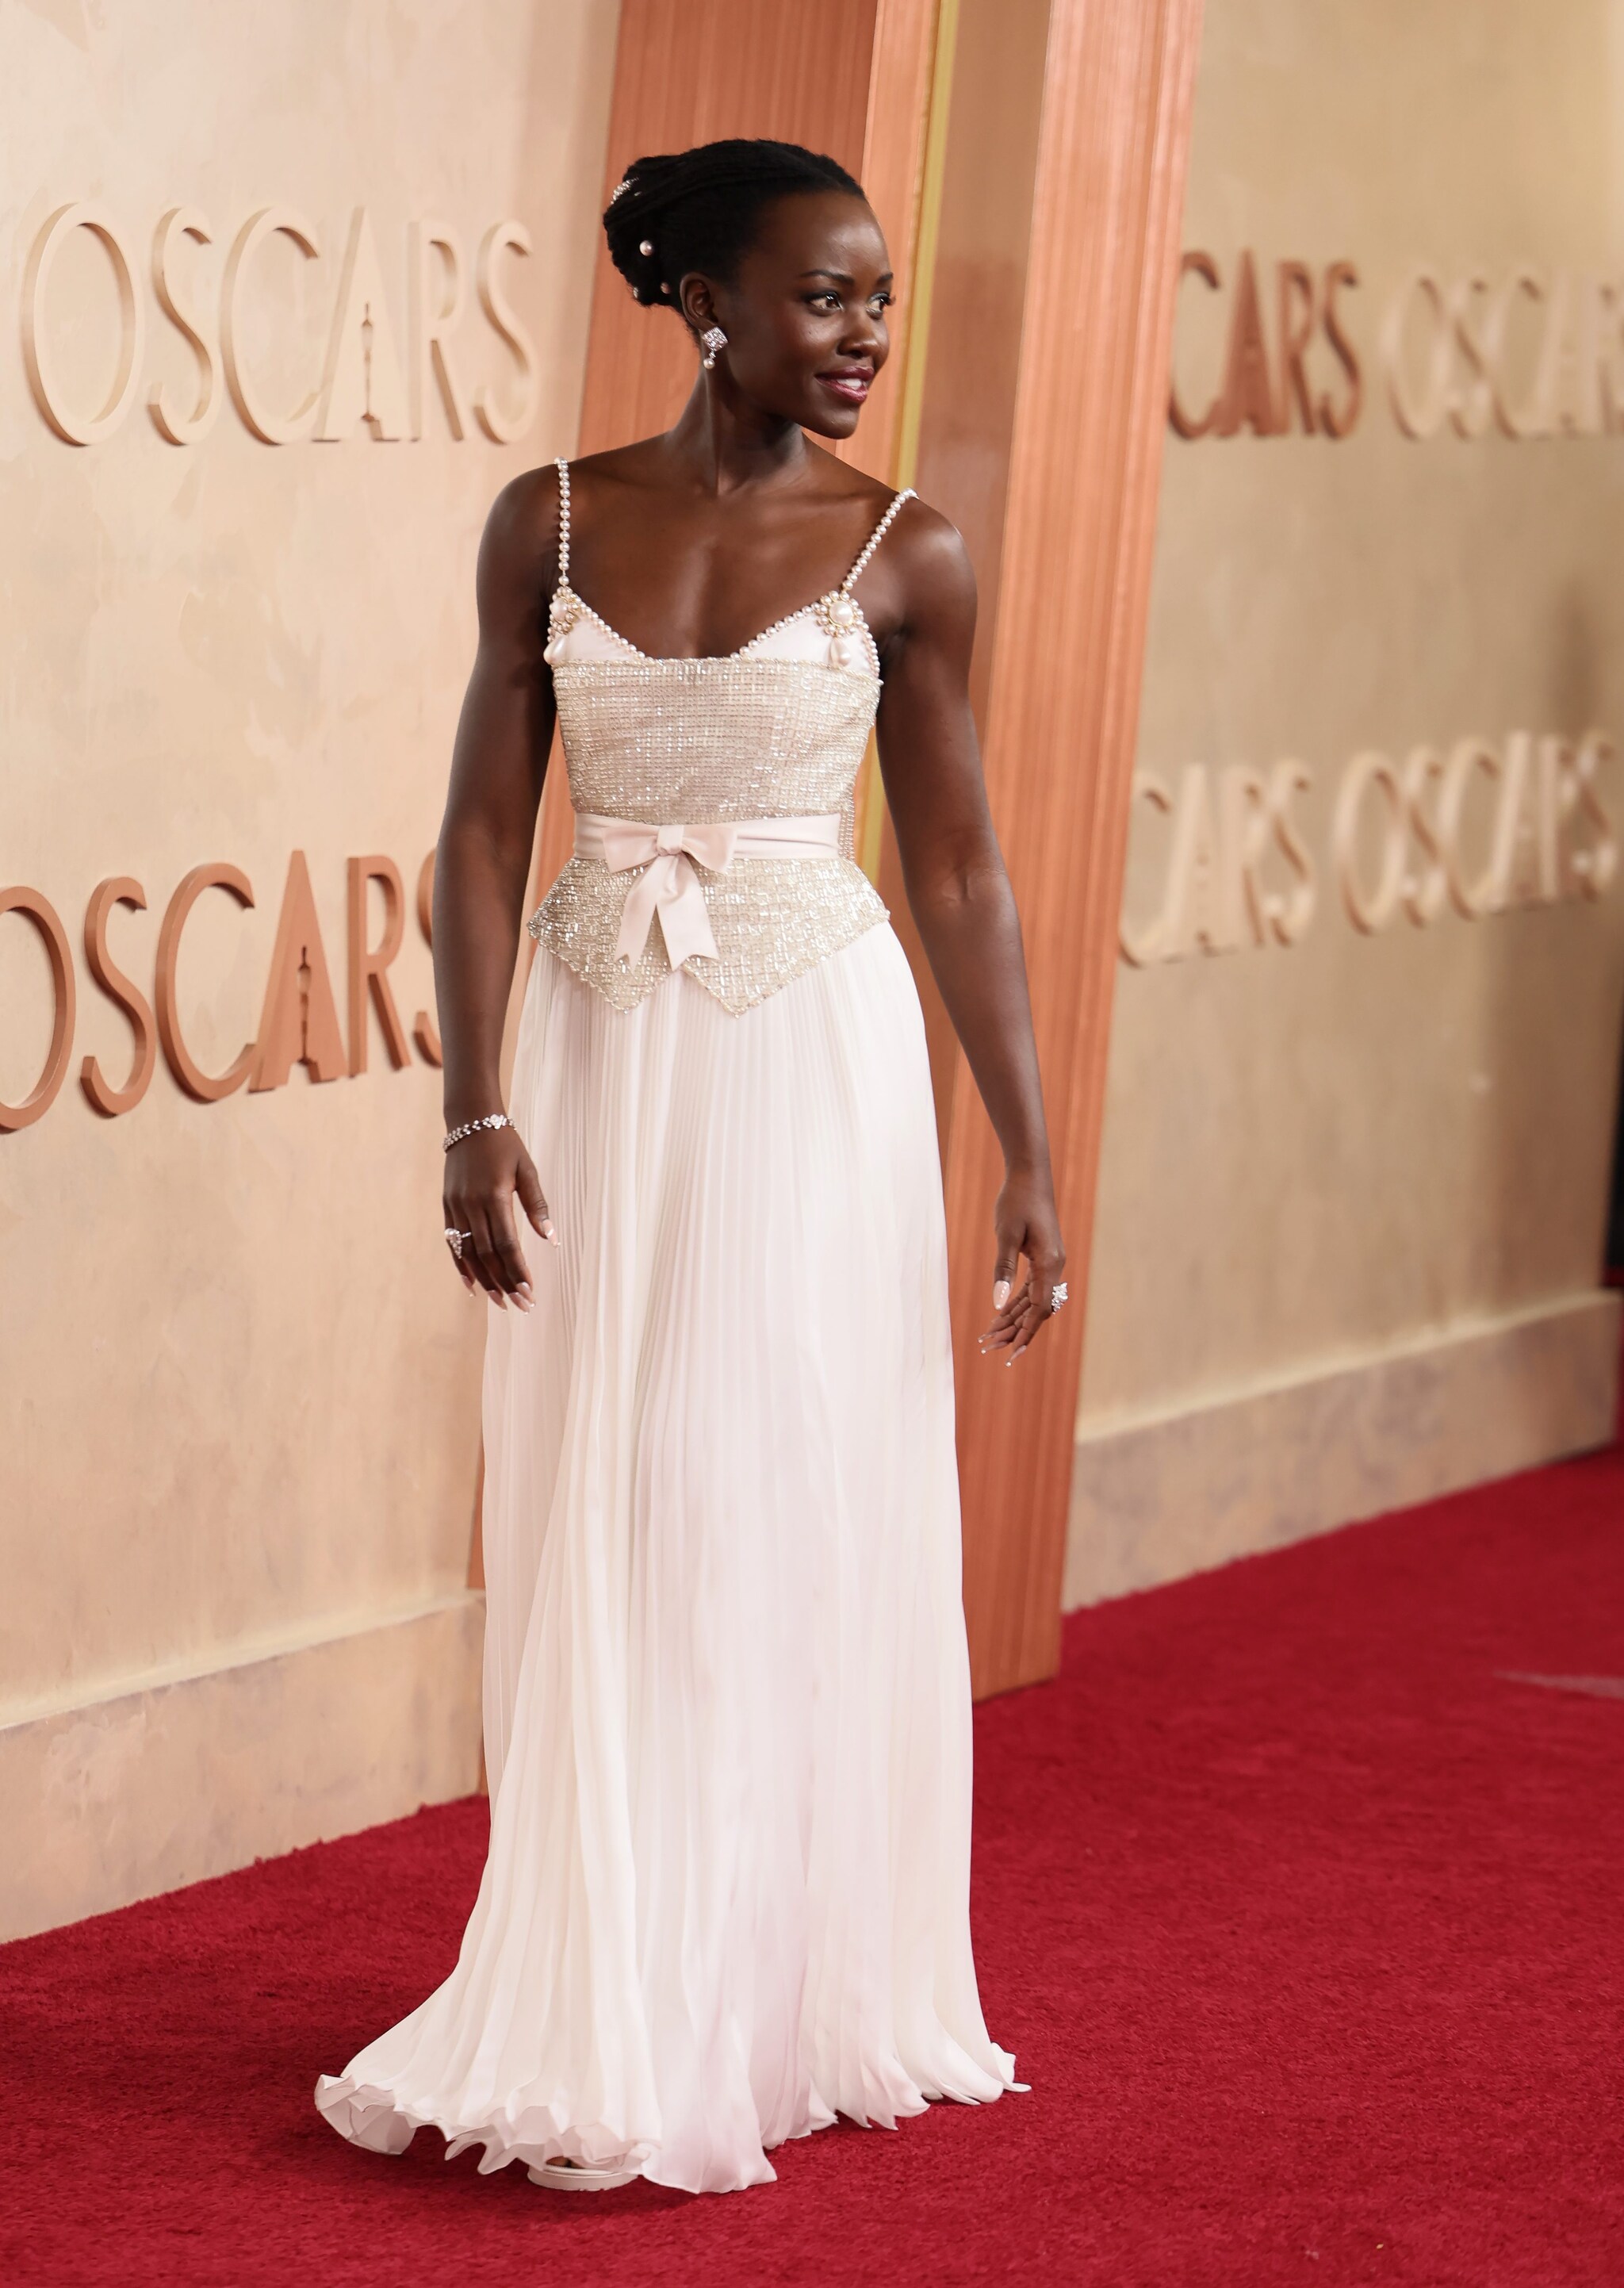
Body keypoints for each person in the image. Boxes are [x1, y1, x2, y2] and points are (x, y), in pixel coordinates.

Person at [316, 136, 1066, 2199]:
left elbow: (961, 867)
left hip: (808, 1052)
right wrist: (471, 1104)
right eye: (825, 297)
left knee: (770, 1483)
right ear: (709, 304)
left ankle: (763, 1999)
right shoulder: (549, 520)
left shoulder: (912, 549)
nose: (865, 335)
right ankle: (610, 1980)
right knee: (605, 1493)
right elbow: (483, 830)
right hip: (592, 1044)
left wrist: (1025, 1144)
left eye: (879, 299)